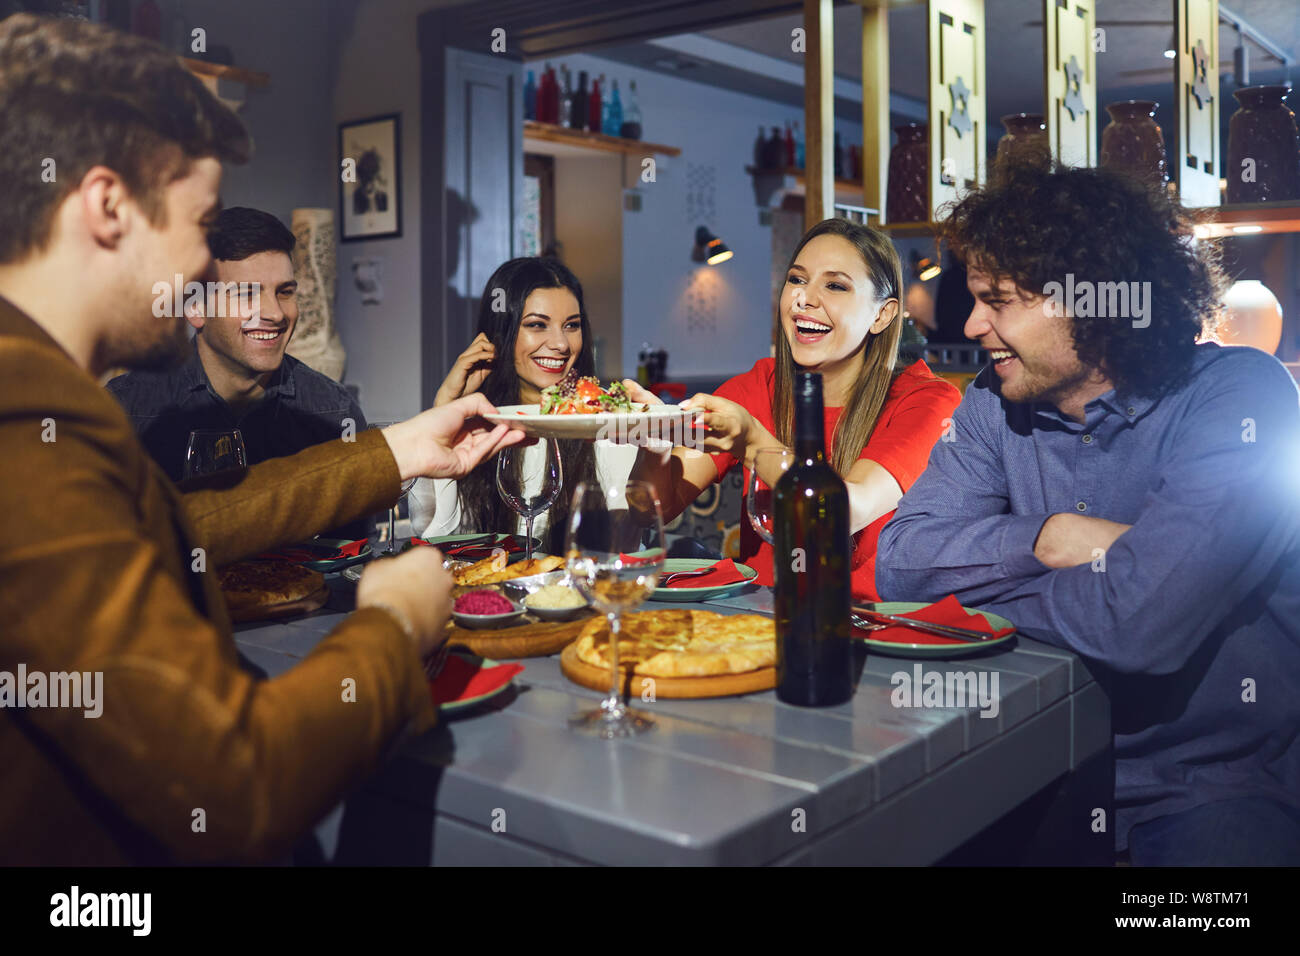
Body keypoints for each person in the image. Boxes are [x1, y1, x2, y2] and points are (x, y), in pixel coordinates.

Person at [0, 14, 522, 864]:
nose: (210, 269)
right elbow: (231, 786)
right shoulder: (26, 424)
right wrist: (392, 627)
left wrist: (395, 450)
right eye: (201, 225)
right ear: (106, 206)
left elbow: (188, 526)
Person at [875, 163, 1300, 866]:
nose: (971, 322)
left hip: (1210, 787)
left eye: (997, 300)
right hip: (1030, 760)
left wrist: (976, 596)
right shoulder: (993, 402)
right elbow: (903, 563)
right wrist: (1050, 538)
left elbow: (1138, 628)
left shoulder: (1242, 398)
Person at [627, 218, 961, 601]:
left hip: (869, 636)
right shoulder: (760, 385)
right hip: (758, 624)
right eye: (797, 280)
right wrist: (655, 444)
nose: (804, 299)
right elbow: (652, 510)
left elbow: (842, 511)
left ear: (882, 315)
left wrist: (753, 444)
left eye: (835, 285)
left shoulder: (926, 401)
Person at [107, 205, 370, 538]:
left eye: (285, 292)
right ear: (195, 307)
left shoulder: (334, 415)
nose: (275, 313)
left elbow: (352, 559)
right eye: (247, 293)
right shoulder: (128, 413)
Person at [411, 257, 636, 551]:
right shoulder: (478, 428)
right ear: (501, 333)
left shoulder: (609, 425)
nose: (561, 344)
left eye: (572, 325)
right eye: (537, 325)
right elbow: (438, 546)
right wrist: (445, 409)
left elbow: (628, 548)